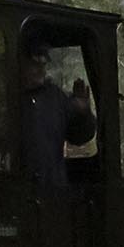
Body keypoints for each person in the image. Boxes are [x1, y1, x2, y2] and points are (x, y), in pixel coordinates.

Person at [20, 41, 96, 187]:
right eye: (35, 64)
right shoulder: (6, 95)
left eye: (43, 64)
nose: (41, 70)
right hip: (19, 187)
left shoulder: (55, 97)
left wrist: (83, 114)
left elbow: (80, 136)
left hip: (52, 189)